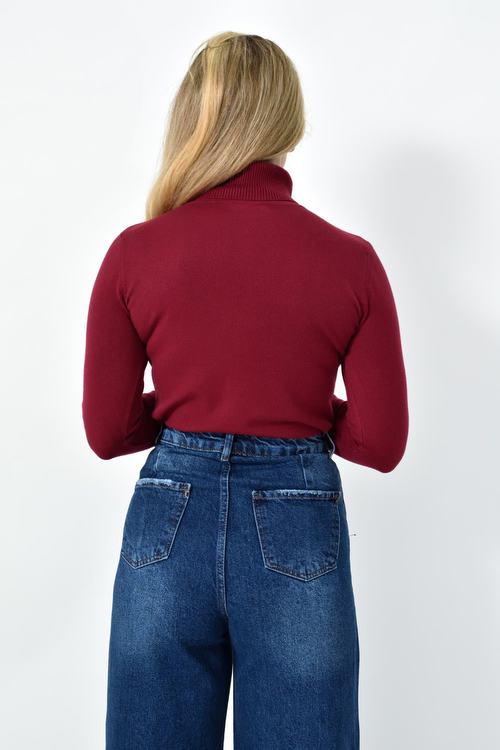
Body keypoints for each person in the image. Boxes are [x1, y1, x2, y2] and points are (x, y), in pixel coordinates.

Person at [82, 31, 409, 750]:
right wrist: (295, 409)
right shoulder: (351, 261)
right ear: (288, 122)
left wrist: (190, 411)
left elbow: (107, 430)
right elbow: (380, 443)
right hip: (299, 516)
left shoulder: (135, 253)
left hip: (170, 514)